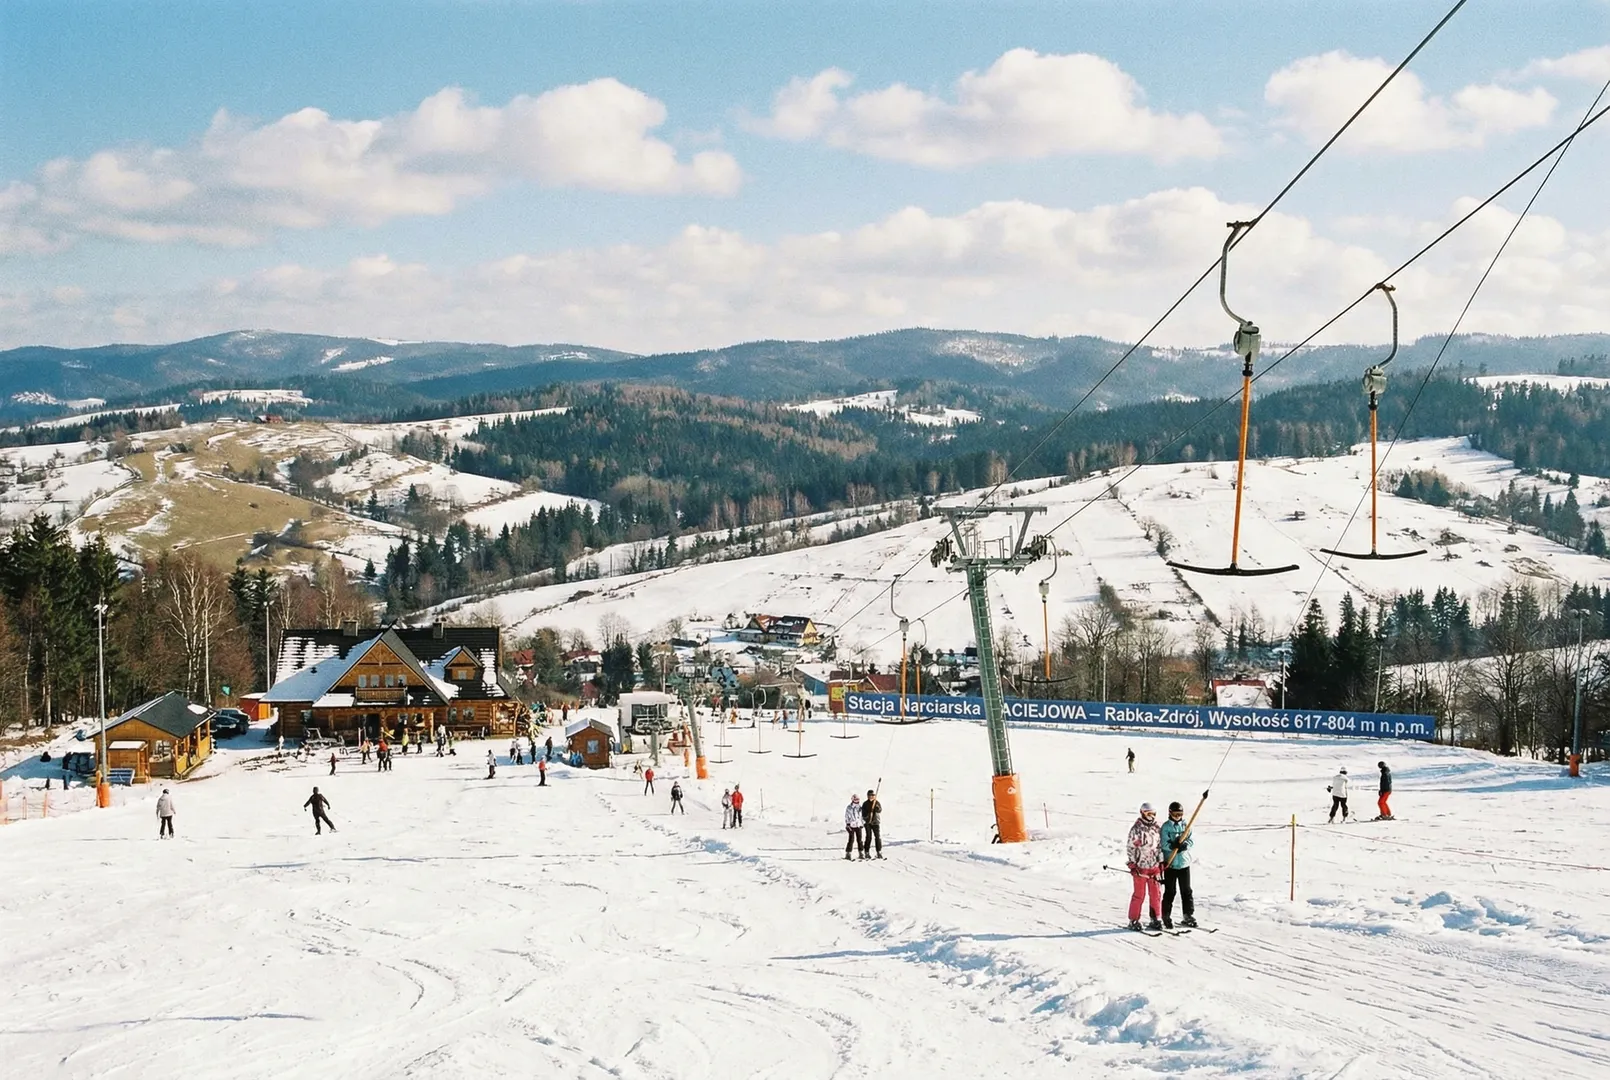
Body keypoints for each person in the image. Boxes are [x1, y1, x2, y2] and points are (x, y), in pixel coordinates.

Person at [1125, 802, 1164, 931]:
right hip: (1140, 867)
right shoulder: (1136, 829)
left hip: (1154, 866)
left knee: (1156, 894)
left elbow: (1159, 847)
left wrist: (1161, 863)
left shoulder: (1157, 828)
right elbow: (1131, 848)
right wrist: (1132, 864)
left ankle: (1156, 918)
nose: (1151, 817)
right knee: (1139, 894)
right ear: (1142, 813)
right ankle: (1134, 919)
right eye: (1148, 814)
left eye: (1153, 814)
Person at [1159, 801, 1196, 929]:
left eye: (1180, 814)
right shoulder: (1165, 827)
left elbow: (1191, 840)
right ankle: (1166, 916)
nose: (1177, 817)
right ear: (1170, 813)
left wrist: (1185, 845)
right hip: (1171, 864)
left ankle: (1188, 915)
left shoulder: (1186, 825)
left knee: (1186, 891)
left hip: (1184, 864)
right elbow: (1163, 843)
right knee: (1170, 891)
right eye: (1175, 814)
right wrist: (1172, 846)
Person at [861, 788, 883, 859]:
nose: (871, 796)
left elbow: (880, 810)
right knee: (868, 837)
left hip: (875, 822)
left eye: (872, 795)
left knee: (877, 837)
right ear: (868, 796)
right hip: (868, 822)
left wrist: (876, 808)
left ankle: (879, 852)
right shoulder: (865, 804)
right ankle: (866, 852)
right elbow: (863, 814)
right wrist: (868, 815)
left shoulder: (876, 802)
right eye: (870, 795)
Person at [844, 794, 865, 860]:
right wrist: (848, 824)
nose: (857, 801)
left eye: (858, 800)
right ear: (852, 800)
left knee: (860, 840)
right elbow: (846, 816)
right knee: (851, 839)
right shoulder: (849, 807)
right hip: (851, 826)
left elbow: (861, 816)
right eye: (855, 800)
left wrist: (862, 823)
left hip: (858, 825)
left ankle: (861, 853)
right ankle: (848, 853)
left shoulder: (860, 807)